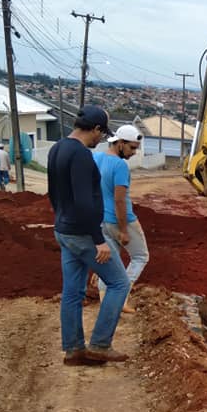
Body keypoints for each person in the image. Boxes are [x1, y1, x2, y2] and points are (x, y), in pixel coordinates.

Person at [47, 104, 131, 366]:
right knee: (119, 283)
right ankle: (100, 345)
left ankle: (73, 350)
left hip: (64, 229)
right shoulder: (82, 156)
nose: (101, 139)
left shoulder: (57, 148)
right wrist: (98, 239)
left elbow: (53, 194)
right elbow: (85, 201)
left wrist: (62, 219)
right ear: (94, 129)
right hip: (83, 233)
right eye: (101, 133)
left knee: (72, 291)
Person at [94, 124, 149, 314]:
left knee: (110, 259)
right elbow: (119, 200)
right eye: (132, 148)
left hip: (102, 219)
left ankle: (104, 300)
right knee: (140, 256)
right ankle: (121, 299)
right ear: (120, 143)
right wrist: (124, 230)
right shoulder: (120, 166)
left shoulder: (97, 157)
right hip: (119, 220)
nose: (134, 152)